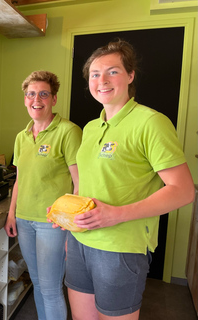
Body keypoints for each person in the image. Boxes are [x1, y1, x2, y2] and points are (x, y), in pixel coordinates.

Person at [65, 39, 195, 320]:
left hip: (120, 248)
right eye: (96, 74)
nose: (102, 80)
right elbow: (86, 185)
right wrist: (67, 216)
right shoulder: (90, 128)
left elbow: (183, 191)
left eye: (112, 71)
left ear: (130, 75)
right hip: (79, 241)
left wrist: (116, 215)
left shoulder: (151, 122)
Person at [4, 70, 82, 320]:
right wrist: (11, 214)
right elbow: (19, 180)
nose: (36, 99)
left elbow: (80, 183)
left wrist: (70, 225)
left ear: (54, 99)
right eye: (30, 94)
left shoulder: (68, 131)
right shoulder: (21, 137)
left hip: (53, 224)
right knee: (37, 283)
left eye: (43, 94)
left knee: (50, 288)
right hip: (25, 221)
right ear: (25, 99)